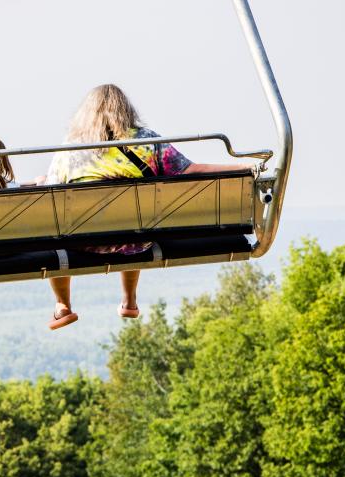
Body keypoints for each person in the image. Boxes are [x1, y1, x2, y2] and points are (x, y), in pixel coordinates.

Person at [43, 83, 252, 331]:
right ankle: (129, 300)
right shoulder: (147, 140)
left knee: (54, 231)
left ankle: (63, 306)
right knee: (135, 222)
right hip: (137, 241)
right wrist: (244, 168)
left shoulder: (72, 147)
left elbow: (51, 194)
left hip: (85, 241)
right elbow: (191, 170)